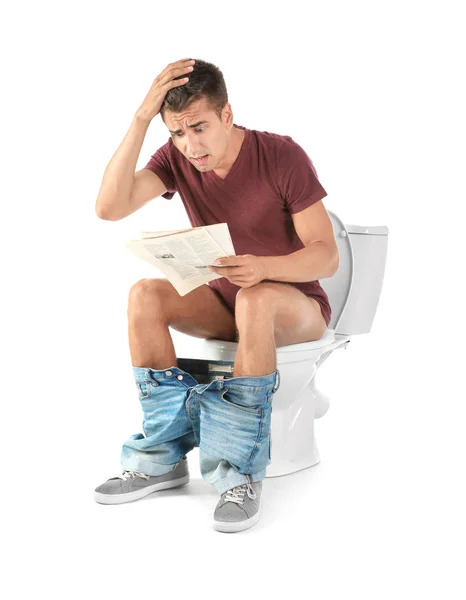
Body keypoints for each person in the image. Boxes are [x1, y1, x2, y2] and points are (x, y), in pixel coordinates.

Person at [93, 58, 339, 533]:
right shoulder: (176, 157)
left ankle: (239, 471)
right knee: (146, 293)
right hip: (229, 302)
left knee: (256, 300)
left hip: (297, 305)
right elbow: (108, 207)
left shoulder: (281, 156)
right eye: (179, 133)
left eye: (200, 128)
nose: (191, 145)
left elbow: (326, 256)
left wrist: (264, 269)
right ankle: (161, 457)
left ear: (228, 115)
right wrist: (141, 119)